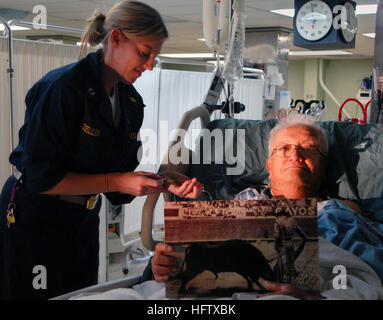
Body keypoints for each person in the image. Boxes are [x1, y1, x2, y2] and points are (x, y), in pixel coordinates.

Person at [0, 1, 203, 300]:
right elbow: (40, 178)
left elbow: (118, 188)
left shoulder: (130, 102)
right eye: (144, 53)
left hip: (82, 220)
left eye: (154, 57)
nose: (149, 66)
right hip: (37, 218)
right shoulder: (62, 89)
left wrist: (161, 179)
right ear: (117, 38)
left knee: (82, 295)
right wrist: (117, 181)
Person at [147, 115, 363, 299]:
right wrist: (165, 266)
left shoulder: (340, 212)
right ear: (269, 166)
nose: (296, 155)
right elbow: (196, 260)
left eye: (308, 149)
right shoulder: (237, 206)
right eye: (284, 148)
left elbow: (363, 280)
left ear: (324, 167)